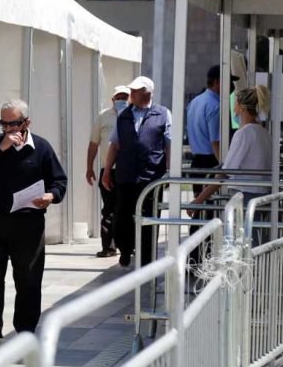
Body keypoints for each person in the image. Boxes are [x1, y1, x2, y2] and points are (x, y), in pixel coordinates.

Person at [0, 99, 67, 338]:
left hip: (28, 223)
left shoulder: (42, 148)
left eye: (14, 124)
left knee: (28, 278)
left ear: (27, 122)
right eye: (4, 124)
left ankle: (25, 329)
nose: (9, 129)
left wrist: (51, 196)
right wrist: (2, 146)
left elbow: (59, 181)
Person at [102, 76, 171, 268]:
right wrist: (107, 171)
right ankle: (125, 249)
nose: (131, 94)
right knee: (122, 216)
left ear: (147, 93)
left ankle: (147, 257)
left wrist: (170, 172)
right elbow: (114, 145)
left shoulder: (162, 114)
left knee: (149, 217)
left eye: (136, 91)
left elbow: (168, 145)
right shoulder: (124, 115)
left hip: (151, 176)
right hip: (126, 175)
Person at [190, 86, 272, 246]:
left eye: (236, 102)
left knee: (244, 246)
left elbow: (225, 172)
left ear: (241, 106)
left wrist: (199, 199)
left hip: (246, 197)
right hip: (260, 196)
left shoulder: (244, 133)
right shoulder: (263, 132)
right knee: (254, 243)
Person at [186, 65, 239, 244]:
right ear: (217, 82)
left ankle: (194, 256)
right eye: (229, 82)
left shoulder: (196, 101)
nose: (232, 86)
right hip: (210, 162)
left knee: (200, 212)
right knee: (208, 214)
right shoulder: (215, 106)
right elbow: (215, 142)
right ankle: (201, 257)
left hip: (197, 161)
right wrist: (225, 167)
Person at [86, 85, 130, 258]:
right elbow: (93, 144)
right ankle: (108, 247)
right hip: (108, 171)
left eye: (125, 96)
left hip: (129, 171)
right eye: (118, 97)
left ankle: (128, 245)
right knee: (109, 210)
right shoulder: (103, 117)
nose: (122, 100)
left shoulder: (135, 116)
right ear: (112, 99)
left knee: (127, 209)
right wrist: (89, 167)